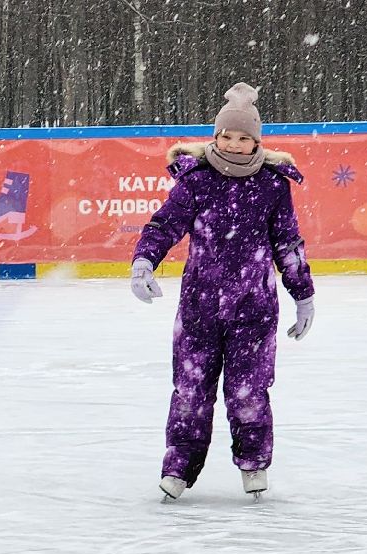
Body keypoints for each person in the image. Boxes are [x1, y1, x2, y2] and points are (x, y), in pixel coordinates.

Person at [129, 82, 314, 502]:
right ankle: (178, 468)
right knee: (191, 391)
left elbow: (287, 243)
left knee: (248, 390)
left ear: (256, 142)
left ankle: (253, 464)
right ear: (215, 137)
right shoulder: (196, 181)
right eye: (226, 135)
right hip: (200, 307)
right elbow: (165, 224)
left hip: (254, 309)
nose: (233, 143)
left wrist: (302, 295)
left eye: (243, 137)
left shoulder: (272, 185)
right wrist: (144, 260)